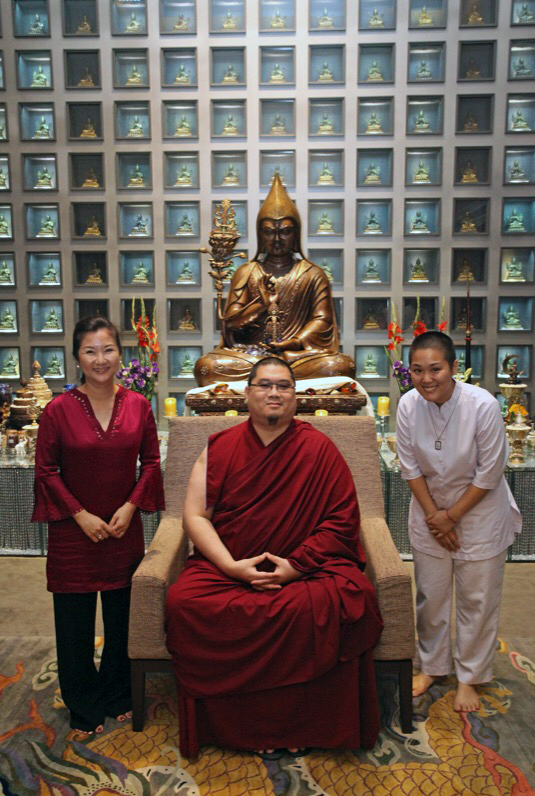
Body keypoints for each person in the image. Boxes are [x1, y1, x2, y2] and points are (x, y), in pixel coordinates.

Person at [165, 357, 383, 756]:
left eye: (283, 386)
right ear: (246, 394)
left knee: (349, 598)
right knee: (185, 602)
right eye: (264, 385)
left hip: (303, 568)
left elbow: (342, 521)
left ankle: (303, 727)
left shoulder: (319, 449)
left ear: (295, 397)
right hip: (232, 563)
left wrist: (295, 568)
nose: (274, 393)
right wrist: (231, 566)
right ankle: (236, 729)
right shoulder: (221, 447)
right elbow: (194, 516)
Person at [32, 317, 164, 735]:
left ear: (120, 355)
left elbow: (153, 464)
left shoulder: (139, 405)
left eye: (107, 349)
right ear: (76, 358)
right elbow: (47, 471)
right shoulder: (57, 410)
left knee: (122, 617)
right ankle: (83, 702)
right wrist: (80, 514)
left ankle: (117, 692)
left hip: (123, 529)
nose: (100, 359)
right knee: (74, 623)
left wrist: (131, 506)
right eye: (90, 351)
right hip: (75, 532)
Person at [395, 332, 521, 713]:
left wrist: (450, 517)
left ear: (453, 369)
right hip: (429, 511)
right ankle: (433, 666)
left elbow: (489, 472)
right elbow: (409, 466)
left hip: (479, 513)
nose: (426, 378)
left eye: (435, 369)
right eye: (417, 370)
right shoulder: (407, 406)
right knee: (430, 597)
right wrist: (436, 517)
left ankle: (470, 676)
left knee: (477, 599)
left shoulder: (481, 405)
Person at [194, 174, 355, 385]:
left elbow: (322, 320)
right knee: (207, 367)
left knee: (340, 366)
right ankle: (269, 376)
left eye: (285, 232)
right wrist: (261, 304)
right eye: (269, 232)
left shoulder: (313, 274)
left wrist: (294, 342)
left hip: (296, 357)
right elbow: (231, 324)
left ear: (295, 234)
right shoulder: (247, 272)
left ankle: (272, 374)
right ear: (260, 235)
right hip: (252, 356)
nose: (277, 239)